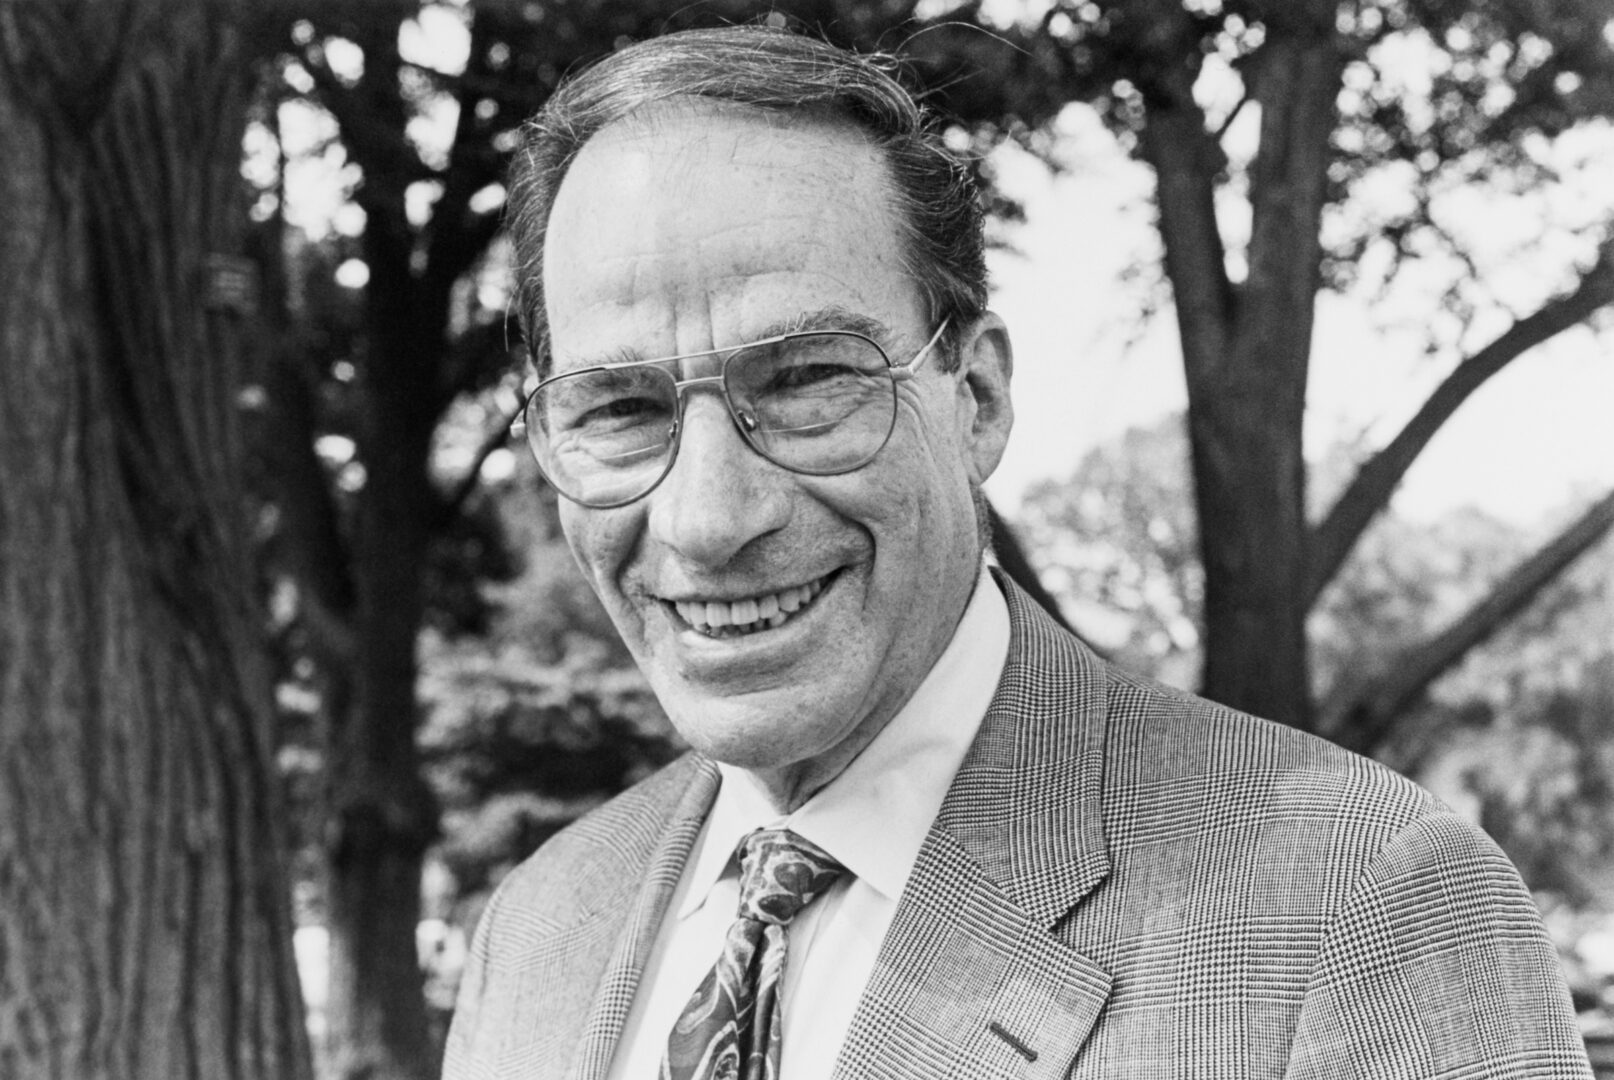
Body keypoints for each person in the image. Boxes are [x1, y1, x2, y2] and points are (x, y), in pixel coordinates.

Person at [443, 24, 1592, 1080]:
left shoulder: (1364, 910)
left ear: (979, 397)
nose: (707, 517)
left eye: (806, 382)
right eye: (620, 409)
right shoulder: (538, 929)